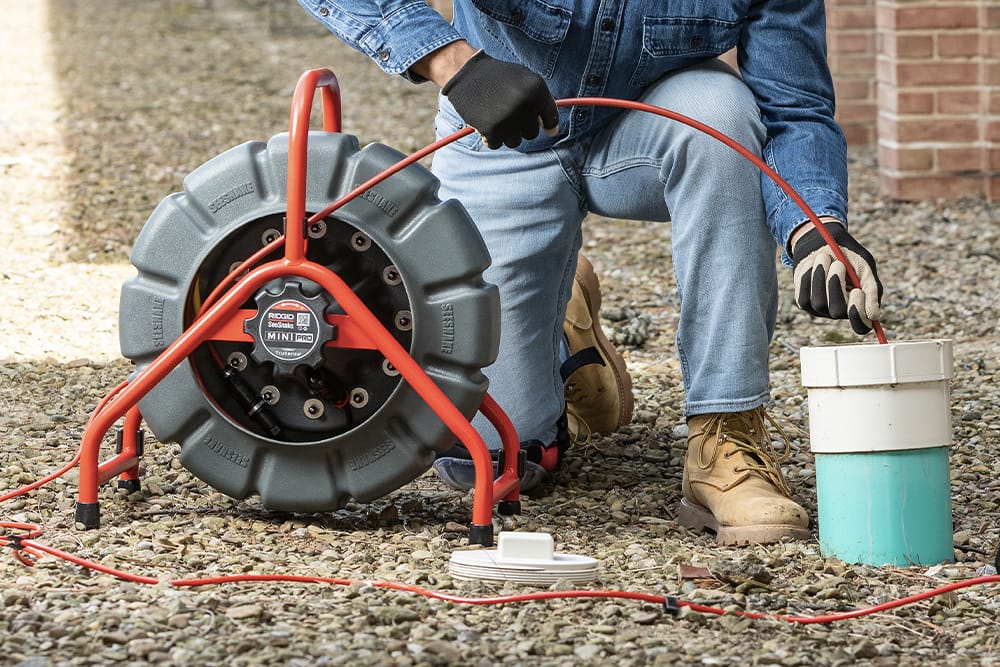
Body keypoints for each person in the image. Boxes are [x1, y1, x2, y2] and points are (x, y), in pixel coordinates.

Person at [298, 1, 883, 545]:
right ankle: (565, 338)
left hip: (658, 124)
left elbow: (794, 105)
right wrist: (454, 64)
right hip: (503, 132)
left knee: (724, 117)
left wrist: (815, 227)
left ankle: (725, 432)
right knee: (488, 453)